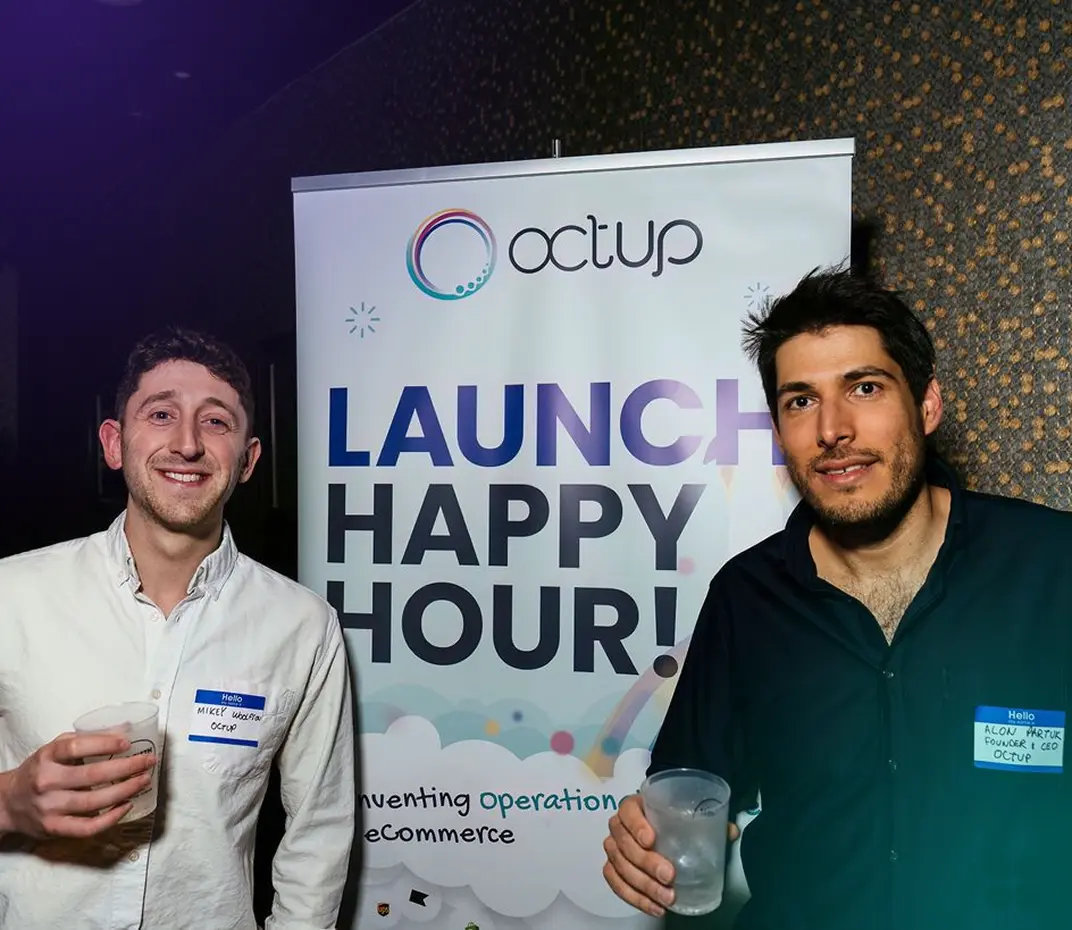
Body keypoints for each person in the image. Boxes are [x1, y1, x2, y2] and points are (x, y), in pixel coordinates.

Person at [602, 269, 1072, 930]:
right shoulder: (747, 596)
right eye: (801, 401)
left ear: (927, 405)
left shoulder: (1052, 566)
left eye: (865, 387)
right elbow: (688, 786)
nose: (832, 429)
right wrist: (643, 838)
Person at [0, 329, 356, 929]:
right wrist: (9, 802)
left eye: (215, 422)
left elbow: (319, 829)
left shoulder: (302, 625)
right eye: (161, 414)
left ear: (248, 461)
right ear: (115, 443)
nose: (187, 444)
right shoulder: (11, 595)